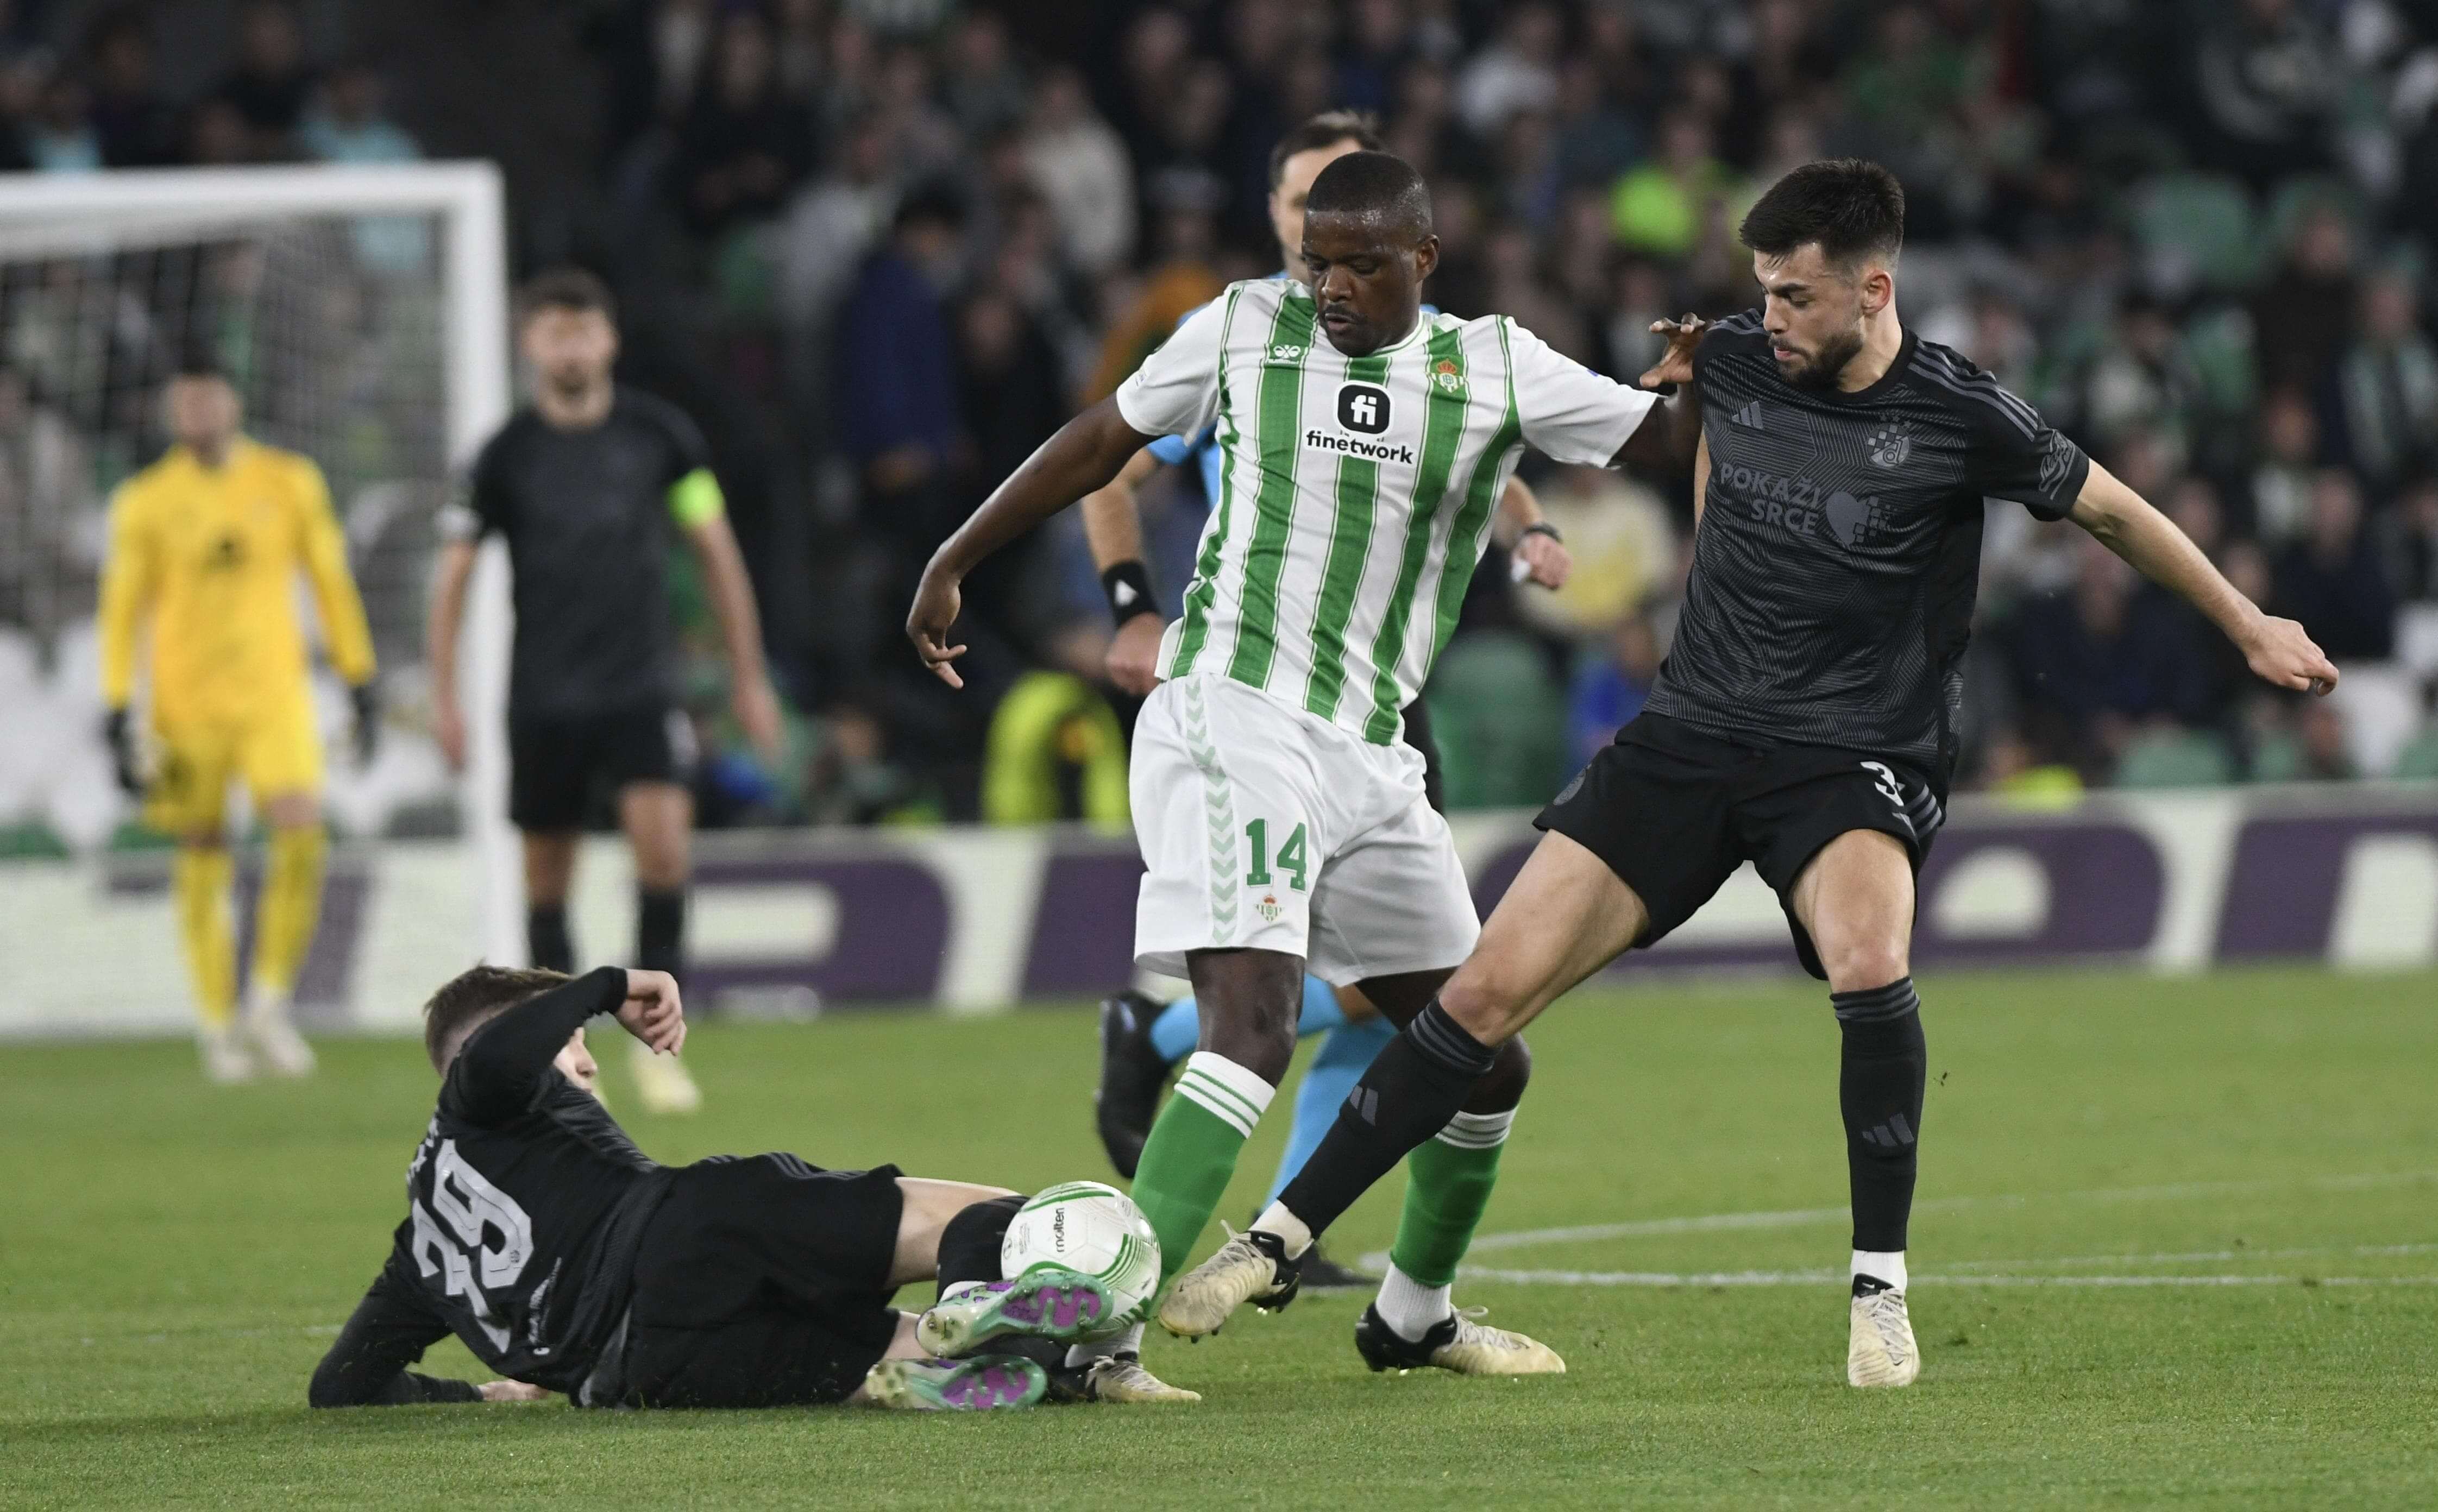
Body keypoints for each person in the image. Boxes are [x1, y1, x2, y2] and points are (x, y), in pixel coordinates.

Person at [1165, 158, 2339, 1390]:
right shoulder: (1732, 356)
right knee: (1483, 993)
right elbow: (1682, 434)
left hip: (1850, 752)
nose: (1766, 316)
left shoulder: (1961, 413)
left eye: (1795, 297)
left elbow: (2115, 514)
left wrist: (2248, 623)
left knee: (1871, 958)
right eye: (1763, 291)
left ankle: (1879, 1294)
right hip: (1691, 734)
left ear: (1874, 290)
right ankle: (1273, 1243)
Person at [909, 149, 1703, 1388]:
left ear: (1423, 260)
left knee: (1485, 1054)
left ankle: (1415, 1315)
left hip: (1374, 750)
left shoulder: (1493, 364)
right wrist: (954, 557)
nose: (1331, 286)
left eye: (1361, 265)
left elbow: (1667, 438)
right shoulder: (1241, 327)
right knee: (1253, 1028)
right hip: (1234, 712)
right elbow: (1100, 441)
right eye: (1316, 261)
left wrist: (1712, 374)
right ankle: (1093, 1343)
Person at [1083, 110, 1575, 1292]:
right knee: (1319, 993)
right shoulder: (1242, 332)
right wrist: (1131, 605)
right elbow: (1107, 467)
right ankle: (1160, 1052)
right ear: (1278, 214)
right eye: (1309, 199)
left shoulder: (1422, 345)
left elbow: (1481, 444)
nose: (1331, 227)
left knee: (1394, 998)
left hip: (1378, 695)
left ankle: (1283, 1233)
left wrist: (1529, 528)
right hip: (1259, 686)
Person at [307, 964, 1173, 1412]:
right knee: (990, 1214)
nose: (587, 1063)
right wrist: (607, 987)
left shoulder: (417, 1255)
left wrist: (475, 1392)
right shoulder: (486, 1092)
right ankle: (976, 1302)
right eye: (574, 1044)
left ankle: (970, 1357)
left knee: (893, 1358)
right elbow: (496, 1053)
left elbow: (341, 1385)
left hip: (641, 1372)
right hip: (689, 1232)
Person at [428, 269, 785, 1116]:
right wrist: (445, 696)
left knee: (663, 857)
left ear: (610, 340)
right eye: (555, 333)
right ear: (530, 344)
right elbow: (454, 578)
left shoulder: (660, 439)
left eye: (584, 331)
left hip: (641, 686)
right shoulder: (503, 455)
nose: (572, 348)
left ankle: (659, 1051)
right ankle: (564, 1050)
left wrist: (748, 677)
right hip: (543, 696)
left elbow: (717, 552)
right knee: (547, 884)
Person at [98, 353, 378, 1083]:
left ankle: (271, 1002)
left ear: (233, 403)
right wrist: (117, 704)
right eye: (185, 403)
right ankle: (216, 1022)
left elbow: (330, 580)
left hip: (273, 697)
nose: (198, 414)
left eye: (208, 400)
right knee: (202, 849)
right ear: (172, 413)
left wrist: (359, 675)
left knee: (301, 829)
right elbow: (122, 609)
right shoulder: (146, 501)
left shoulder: (288, 481)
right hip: (185, 706)